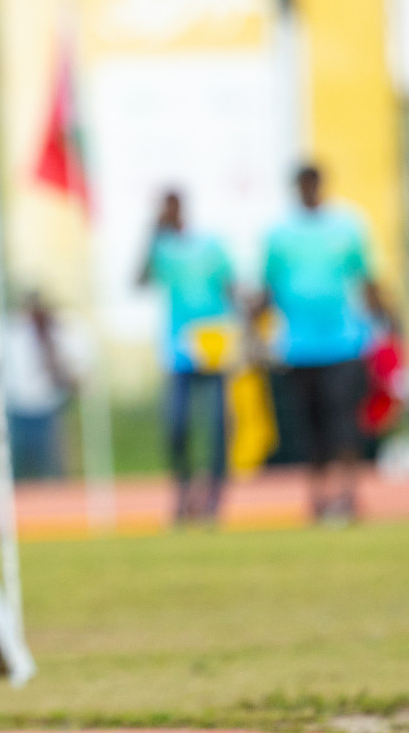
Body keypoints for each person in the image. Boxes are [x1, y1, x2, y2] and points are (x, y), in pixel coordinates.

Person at [254, 164, 396, 523]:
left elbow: (367, 280)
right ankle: (319, 499)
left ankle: (348, 495)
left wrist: (392, 325)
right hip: (299, 347)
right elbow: (267, 289)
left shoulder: (347, 226)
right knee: (310, 425)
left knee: (343, 421)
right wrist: (252, 327)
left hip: (345, 343)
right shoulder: (279, 234)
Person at [138, 190, 238, 522]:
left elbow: (231, 287)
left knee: (217, 423)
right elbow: (139, 280)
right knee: (177, 423)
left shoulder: (210, 246)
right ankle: (183, 488)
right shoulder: (161, 249)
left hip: (213, 344)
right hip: (178, 348)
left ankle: (214, 493)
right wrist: (150, 237)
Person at [2, 291, 85, 480]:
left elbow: (69, 368)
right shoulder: (12, 331)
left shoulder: (56, 331)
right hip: (18, 406)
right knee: (19, 464)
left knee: (53, 463)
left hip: (50, 406)